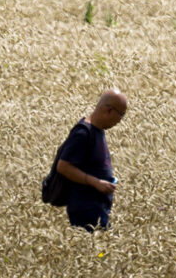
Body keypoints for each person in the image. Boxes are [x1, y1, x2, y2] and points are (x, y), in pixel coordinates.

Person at [49, 90, 126, 230]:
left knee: (103, 250)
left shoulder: (97, 130)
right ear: (109, 110)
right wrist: (96, 182)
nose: (119, 121)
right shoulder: (83, 133)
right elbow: (63, 166)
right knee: (98, 250)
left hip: (97, 208)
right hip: (86, 209)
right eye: (120, 115)